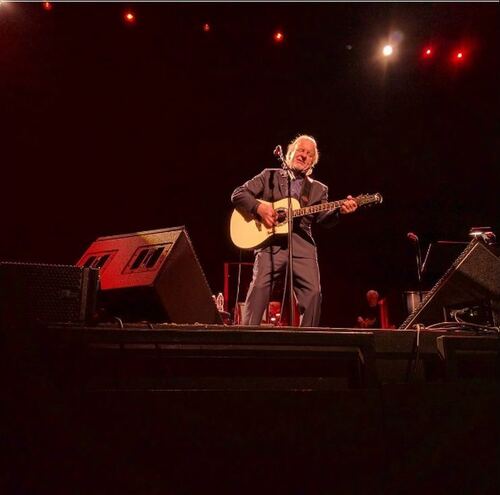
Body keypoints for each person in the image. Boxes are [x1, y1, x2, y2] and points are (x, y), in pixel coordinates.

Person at [231, 134, 358, 327]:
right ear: (290, 154)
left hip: (302, 245)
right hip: (271, 243)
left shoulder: (318, 189)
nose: (304, 155)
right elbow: (238, 194)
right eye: (301, 150)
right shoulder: (270, 176)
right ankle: (247, 336)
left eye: (309, 154)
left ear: (313, 162)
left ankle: (309, 342)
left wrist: (339, 211)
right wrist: (260, 208)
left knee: (314, 294)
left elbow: (323, 219)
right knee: (258, 289)